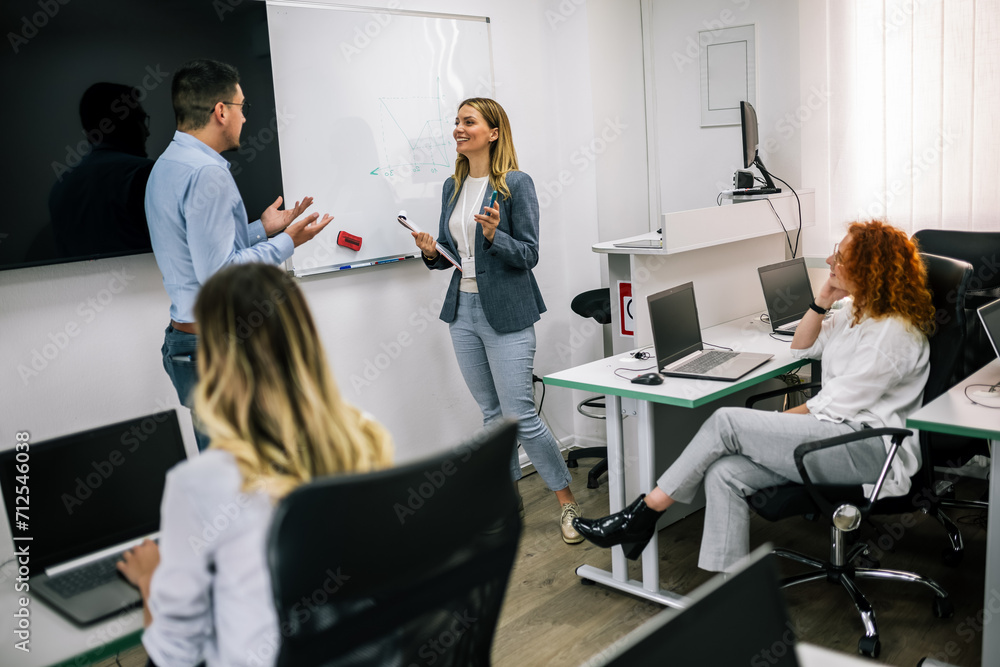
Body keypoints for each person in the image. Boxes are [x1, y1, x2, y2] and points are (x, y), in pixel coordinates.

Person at [573, 220, 937, 572]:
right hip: (834, 435)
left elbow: (830, 406)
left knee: (728, 422)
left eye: (839, 259)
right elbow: (801, 348)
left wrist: (761, 427)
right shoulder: (860, 312)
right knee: (724, 471)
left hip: (872, 450)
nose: (830, 262)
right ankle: (730, 591)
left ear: (870, 270)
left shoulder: (894, 334)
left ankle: (643, 513)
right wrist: (823, 297)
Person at [117, 263, 393, 666]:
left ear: (215, 359)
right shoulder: (363, 440)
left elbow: (174, 656)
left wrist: (149, 581)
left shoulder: (201, 484)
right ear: (304, 340)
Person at [411, 97, 584, 544]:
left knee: (520, 415)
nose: (458, 129)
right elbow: (454, 259)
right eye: (456, 122)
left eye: (468, 122)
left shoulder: (515, 184)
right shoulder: (453, 186)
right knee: (492, 416)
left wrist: (494, 234)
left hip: (506, 313)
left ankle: (568, 505)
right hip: (462, 312)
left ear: (492, 132)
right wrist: (433, 252)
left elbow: (529, 253)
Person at [146, 59, 332, 450]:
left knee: (226, 472)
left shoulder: (169, 164)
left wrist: (263, 228)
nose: (245, 118)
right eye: (242, 107)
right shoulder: (207, 173)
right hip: (218, 349)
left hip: (191, 341)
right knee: (246, 475)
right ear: (220, 111)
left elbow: (202, 250)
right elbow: (220, 275)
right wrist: (288, 243)